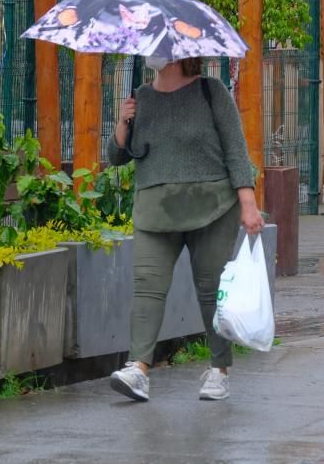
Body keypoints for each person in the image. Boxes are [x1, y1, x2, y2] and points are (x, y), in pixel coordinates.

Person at [106, 56, 265, 402]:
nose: (152, 54)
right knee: (148, 287)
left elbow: (236, 150)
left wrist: (248, 204)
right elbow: (118, 156)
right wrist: (122, 123)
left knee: (211, 291)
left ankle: (219, 369)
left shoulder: (212, 91)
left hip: (211, 205)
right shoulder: (141, 97)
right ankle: (139, 370)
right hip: (155, 208)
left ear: (179, 55)